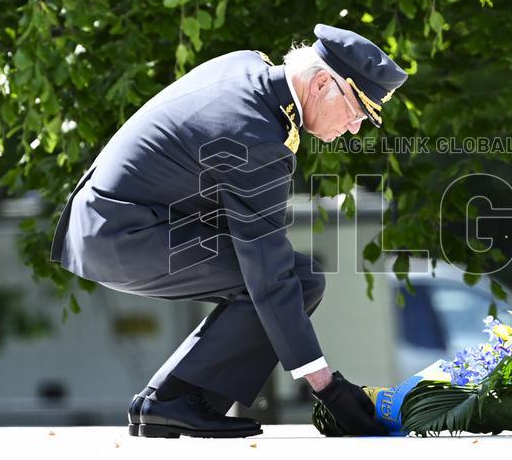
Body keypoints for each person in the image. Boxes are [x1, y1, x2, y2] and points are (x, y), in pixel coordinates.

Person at [49, 24, 407, 438]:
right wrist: (328, 388)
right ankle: (173, 402)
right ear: (323, 81)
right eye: (357, 111)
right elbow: (269, 274)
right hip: (123, 236)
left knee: (297, 277)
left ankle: (173, 400)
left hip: (118, 222)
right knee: (287, 280)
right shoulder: (255, 137)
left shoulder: (247, 68)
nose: (354, 128)